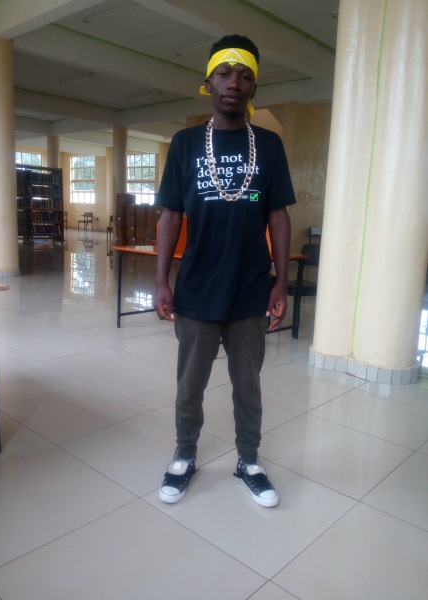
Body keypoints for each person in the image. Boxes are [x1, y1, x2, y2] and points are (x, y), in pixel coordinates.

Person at [154, 34, 296, 508]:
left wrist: (280, 282)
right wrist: (161, 281)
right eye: (224, 74)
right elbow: (171, 215)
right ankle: (184, 454)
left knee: (248, 384)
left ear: (254, 87)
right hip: (197, 287)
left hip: (250, 288)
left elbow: (278, 214)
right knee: (189, 384)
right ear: (208, 83)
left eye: (245, 76)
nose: (234, 83)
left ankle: (249, 460)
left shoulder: (269, 145)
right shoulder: (186, 143)